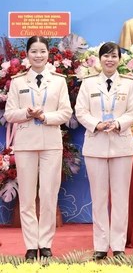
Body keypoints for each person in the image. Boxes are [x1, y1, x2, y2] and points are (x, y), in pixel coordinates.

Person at [4, 36, 73, 260]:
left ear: (48, 54)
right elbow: (9, 114)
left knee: (48, 194)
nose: (38, 55)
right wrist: (26, 113)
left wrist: (45, 117)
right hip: (25, 144)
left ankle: (45, 243)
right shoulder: (18, 82)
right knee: (26, 196)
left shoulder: (59, 81)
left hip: (51, 143)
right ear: (27, 54)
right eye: (34, 51)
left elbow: (66, 112)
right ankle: (31, 246)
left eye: (42, 51)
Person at [75, 42, 133, 260]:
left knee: (121, 197)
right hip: (96, 145)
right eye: (106, 56)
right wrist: (96, 124)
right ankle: (101, 246)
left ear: (120, 60)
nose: (110, 60)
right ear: (99, 59)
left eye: (114, 56)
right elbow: (80, 111)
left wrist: (119, 123)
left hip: (121, 145)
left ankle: (119, 245)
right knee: (99, 198)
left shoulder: (129, 83)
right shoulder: (88, 83)